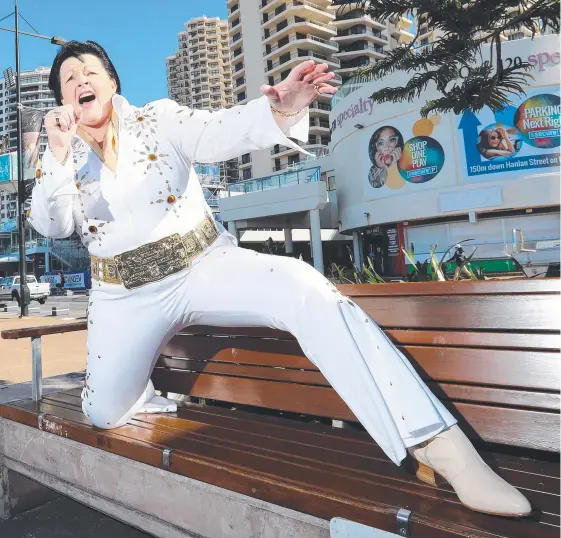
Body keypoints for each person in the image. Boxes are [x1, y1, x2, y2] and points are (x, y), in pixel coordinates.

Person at [29, 40, 530, 517]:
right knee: (101, 413)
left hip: (202, 266)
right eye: (69, 79)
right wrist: (54, 153)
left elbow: (217, 132)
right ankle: (140, 395)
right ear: (62, 101)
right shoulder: (63, 159)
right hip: (124, 296)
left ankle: (439, 446)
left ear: (112, 83)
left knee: (304, 288)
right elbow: (54, 225)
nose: (80, 80)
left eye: (90, 71)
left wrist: (280, 109)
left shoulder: (157, 118)